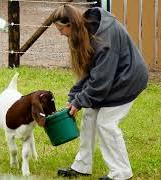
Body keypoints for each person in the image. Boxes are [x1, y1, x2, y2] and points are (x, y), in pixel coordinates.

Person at [52, 4, 148, 180]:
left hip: (128, 78)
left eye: (61, 29)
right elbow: (91, 70)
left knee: (106, 123)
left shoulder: (103, 38)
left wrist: (79, 101)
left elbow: (100, 83)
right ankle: (82, 166)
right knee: (90, 115)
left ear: (71, 24)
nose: (61, 34)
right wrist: (75, 96)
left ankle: (121, 173)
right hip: (113, 77)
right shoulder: (86, 30)